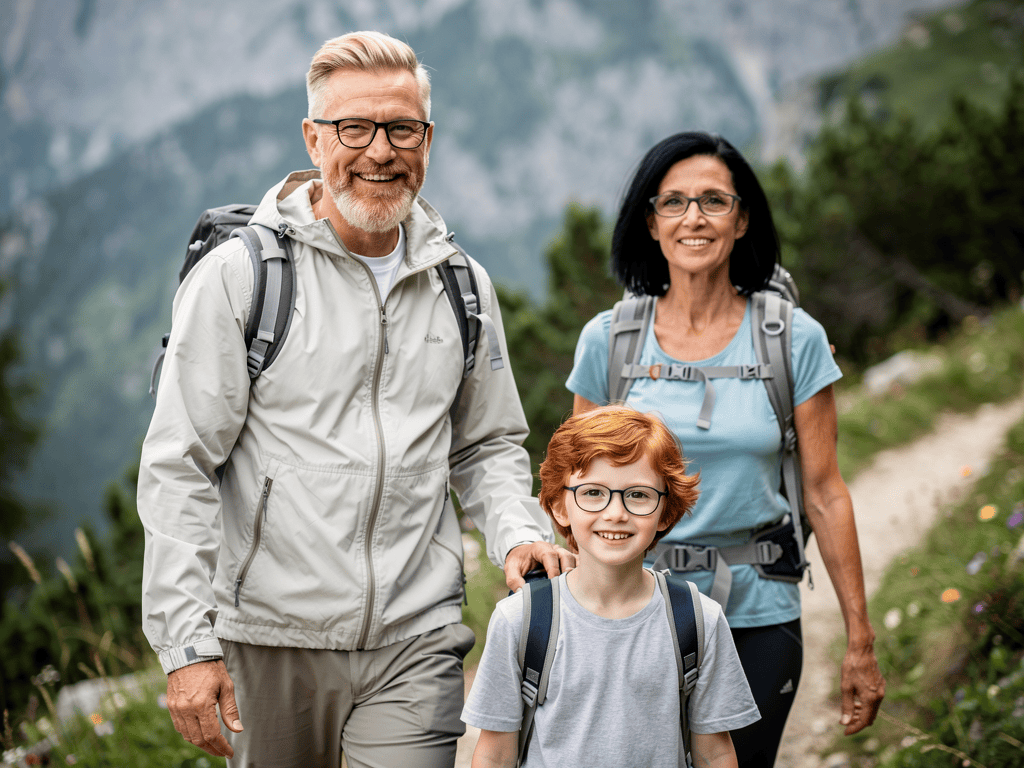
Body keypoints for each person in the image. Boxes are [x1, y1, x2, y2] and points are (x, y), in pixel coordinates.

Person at [138, 30, 573, 768]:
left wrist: (517, 532)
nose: (380, 151)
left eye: (402, 129)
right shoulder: (243, 278)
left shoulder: (461, 284)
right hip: (269, 640)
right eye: (353, 128)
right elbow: (180, 465)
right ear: (313, 139)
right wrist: (186, 644)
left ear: (427, 140)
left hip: (417, 637)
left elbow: (486, 444)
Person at [565, 131, 885, 765]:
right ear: (651, 223)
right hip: (634, 607)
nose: (694, 217)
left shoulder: (793, 339)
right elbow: (576, 495)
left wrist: (860, 640)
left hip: (759, 612)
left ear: (741, 220)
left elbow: (825, 493)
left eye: (714, 200)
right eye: (674, 202)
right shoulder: (610, 341)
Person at [463, 406, 760, 767]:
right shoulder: (520, 620)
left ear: (665, 511)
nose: (616, 513)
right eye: (592, 492)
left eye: (638, 495)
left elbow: (714, 753)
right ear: (559, 506)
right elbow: (494, 756)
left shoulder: (699, 620)